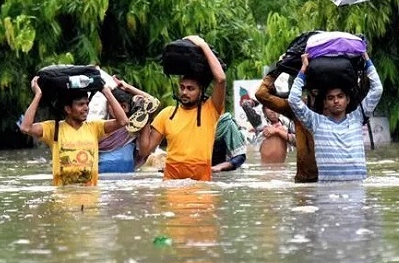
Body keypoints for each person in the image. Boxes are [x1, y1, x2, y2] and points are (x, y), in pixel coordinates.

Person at [138, 35, 226, 181]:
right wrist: (144, 119)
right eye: (182, 87)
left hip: (201, 188)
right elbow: (145, 150)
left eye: (190, 89)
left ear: (201, 91)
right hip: (172, 184)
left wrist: (203, 45)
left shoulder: (211, 109)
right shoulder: (166, 114)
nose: (184, 92)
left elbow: (221, 79)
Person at [288, 53, 383, 181]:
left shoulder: (357, 117)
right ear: (325, 103)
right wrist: (304, 68)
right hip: (327, 194)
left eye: (340, 96)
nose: (336, 101)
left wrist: (366, 59)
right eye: (330, 98)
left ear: (347, 100)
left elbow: (377, 89)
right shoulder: (316, 122)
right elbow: (293, 100)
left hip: (357, 192)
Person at [19, 76, 129, 186]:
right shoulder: (54, 128)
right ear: (68, 109)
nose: (86, 108)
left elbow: (123, 121)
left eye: (87, 104)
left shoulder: (94, 127)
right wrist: (38, 95)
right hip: (63, 199)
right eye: (81, 104)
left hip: (90, 198)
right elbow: (25, 128)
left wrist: (106, 92)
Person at [255, 72, 317, 182]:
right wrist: (277, 71)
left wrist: (279, 132)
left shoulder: (322, 113)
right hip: (301, 176)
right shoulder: (261, 123)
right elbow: (261, 95)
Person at [98, 76, 160, 173]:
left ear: (126, 107)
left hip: (127, 176)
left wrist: (128, 87)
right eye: (111, 104)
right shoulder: (100, 125)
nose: (113, 108)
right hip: (102, 175)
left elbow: (153, 103)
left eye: (122, 106)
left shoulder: (133, 127)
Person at [242, 100, 294, 164]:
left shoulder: (287, 124)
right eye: (269, 107)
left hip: (283, 170)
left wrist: (277, 131)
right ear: (264, 111)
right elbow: (245, 105)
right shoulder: (259, 123)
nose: (272, 110)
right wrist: (261, 100)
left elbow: (298, 142)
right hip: (266, 170)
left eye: (275, 107)